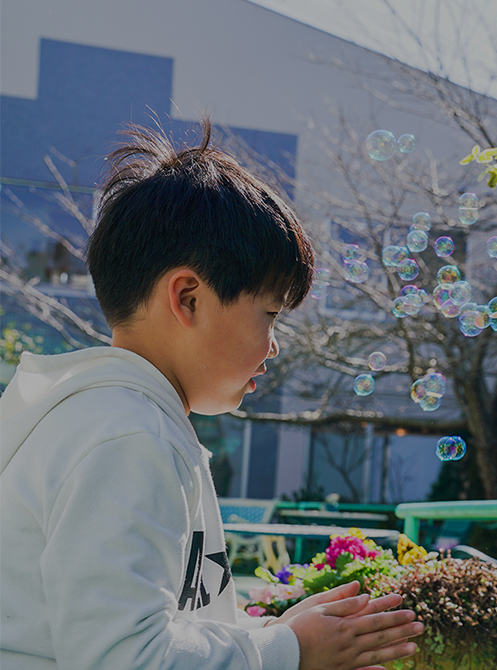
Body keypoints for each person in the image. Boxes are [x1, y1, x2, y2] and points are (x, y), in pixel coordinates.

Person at [0, 122, 425, 670]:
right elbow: (125, 657)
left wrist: (277, 632)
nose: (272, 347)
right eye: (269, 314)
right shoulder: (130, 435)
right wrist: (289, 650)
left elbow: (156, 625)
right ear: (189, 299)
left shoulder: (112, 416)